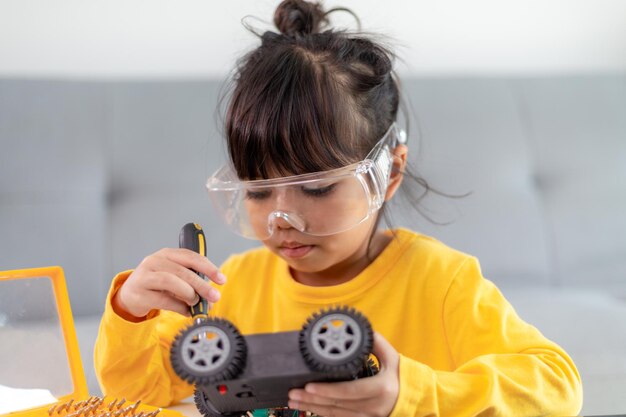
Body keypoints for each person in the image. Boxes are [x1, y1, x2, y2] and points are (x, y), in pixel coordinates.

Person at [94, 1, 583, 416]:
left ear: (388, 174)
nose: (282, 219)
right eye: (260, 191)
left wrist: (410, 394)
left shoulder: (440, 282)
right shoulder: (235, 289)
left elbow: (556, 385)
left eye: (319, 188)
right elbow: (138, 394)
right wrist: (131, 311)